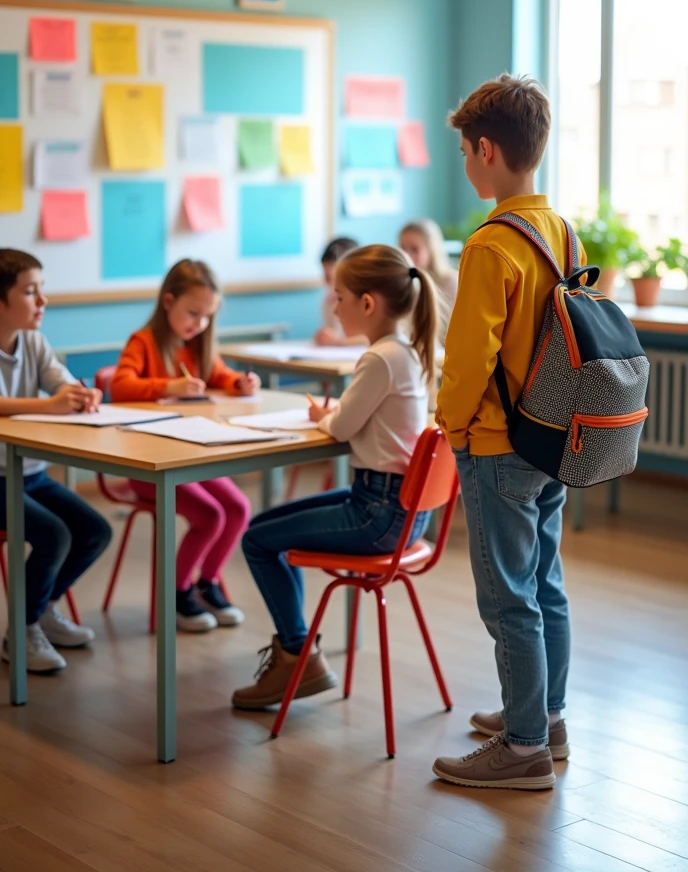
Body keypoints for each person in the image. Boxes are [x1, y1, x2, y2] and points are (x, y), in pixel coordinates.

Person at [433, 75, 584, 791]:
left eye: (465, 151)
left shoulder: (491, 245)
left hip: (497, 445)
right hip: (552, 439)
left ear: (486, 150)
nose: (465, 163)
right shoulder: (559, 229)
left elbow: (468, 359)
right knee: (544, 584)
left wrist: (449, 424)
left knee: (508, 597)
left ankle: (522, 748)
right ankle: (545, 717)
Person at [232, 244, 438, 710]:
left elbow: (343, 426)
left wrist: (328, 415)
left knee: (257, 541)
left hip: (378, 513)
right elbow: (361, 420)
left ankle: (297, 657)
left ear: (368, 304)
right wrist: (339, 414)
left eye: (339, 296)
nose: (333, 305)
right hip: (398, 508)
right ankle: (298, 653)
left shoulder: (379, 358)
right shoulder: (404, 352)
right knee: (264, 529)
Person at [111, 259, 260, 632]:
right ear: (168, 302)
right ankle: (176, 595)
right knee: (210, 515)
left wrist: (239, 382)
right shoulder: (143, 342)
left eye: (208, 316)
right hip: (149, 465)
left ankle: (206, 584)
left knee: (238, 507)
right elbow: (120, 386)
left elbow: (219, 375)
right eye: (193, 313)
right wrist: (167, 386)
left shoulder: (197, 345)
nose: (200, 323)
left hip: (192, 456)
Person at [0, 249, 112, 673]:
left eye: (42, 290)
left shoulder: (34, 341)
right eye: (30, 292)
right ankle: (21, 631)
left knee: (95, 531)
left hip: (30, 474)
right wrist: (50, 406)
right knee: (54, 535)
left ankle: (41, 607)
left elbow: (60, 382)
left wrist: (80, 394)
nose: (42, 301)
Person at [399, 219, 457, 338]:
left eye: (414, 249)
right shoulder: (402, 282)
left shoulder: (449, 281)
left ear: (431, 249)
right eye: (403, 249)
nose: (407, 255)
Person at [313, 237, 367, 347]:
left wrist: (338, 342)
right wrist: (325, 336)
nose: (332, 288)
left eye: (335, 279)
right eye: (327, 279)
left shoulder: (366, 300)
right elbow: (334, 332)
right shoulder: (329, 300)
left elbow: (373, 337)